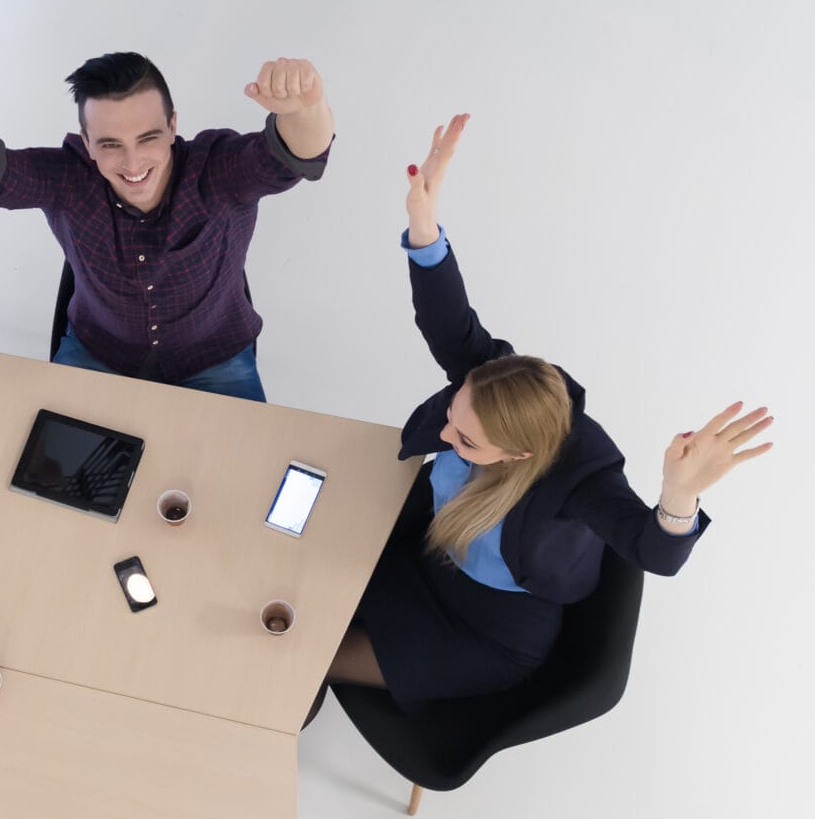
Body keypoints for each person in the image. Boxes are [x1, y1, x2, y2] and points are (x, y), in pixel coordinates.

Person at [327, 116, 775, 708]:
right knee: (297, 605)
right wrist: (423, 221)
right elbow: (445, 319)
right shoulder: (494, 384)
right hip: (428, 563)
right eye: (454, 416)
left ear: (519, 454)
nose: (444, 433)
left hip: (487, 632)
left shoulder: (579, 477)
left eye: (464, 441)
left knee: (307, 657)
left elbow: (653, 553)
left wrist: (677, 496)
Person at [0, 51, 336, 402]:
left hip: (215, 359)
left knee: (240, 488)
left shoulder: (218, 170)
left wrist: (306, 107)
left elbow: (293, 153)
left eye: (147, 138)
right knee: (53, 488)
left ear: (172, 126)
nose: (132, 163)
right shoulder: (69, 179)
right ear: (87, 142)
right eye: (110, 144)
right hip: (98, 353)